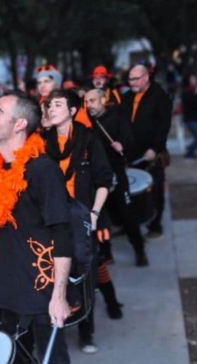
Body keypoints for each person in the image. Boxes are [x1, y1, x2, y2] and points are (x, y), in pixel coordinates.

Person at [0, 92, 72, 364]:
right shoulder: (0, 168)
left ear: (19, 124)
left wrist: (59, 296)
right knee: (14, 362)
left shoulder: (43, 169)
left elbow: (62, 234)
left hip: (41, 291)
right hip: (10, 290)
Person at [43, 89, 114, 354]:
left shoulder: (88, 139)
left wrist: (94, 215)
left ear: (72, 111)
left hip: (82, 218)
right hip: (52, 220)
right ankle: (55, 328)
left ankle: (87, 331)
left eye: (58, 105)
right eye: (50, 105)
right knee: (51, 275)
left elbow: (104, 181)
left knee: (84, 274)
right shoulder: (43, 141)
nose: (52, 109)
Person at [85, 88, 147, 267]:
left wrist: (123, 146)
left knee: (127, 214)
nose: (89, 105)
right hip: (97, 176)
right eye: (87, 101)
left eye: (93, 101)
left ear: (103, 101)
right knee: (101, 216)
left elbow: (130, 142)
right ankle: (106, 253)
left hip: (116, 173)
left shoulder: (117, 118)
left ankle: (139, 249)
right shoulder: (87, 123)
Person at [121, 64, 173, 239]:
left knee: (156, 189)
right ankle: (131, 223)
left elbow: (163, 126)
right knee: (130, 189)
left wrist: (155, 148)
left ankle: (155, 224)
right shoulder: (127, 97)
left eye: (135, 79)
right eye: (130, 79)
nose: (132, 83)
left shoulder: (160, 97)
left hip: (152, 153)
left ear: (146, 78)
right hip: (130, 152)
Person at [181, 73, 197, 158]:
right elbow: (196, 103)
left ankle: (189, 149)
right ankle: (189, 152)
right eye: (192, 79)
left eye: (194, 79)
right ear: (188, 81)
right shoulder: (186, 92)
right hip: (190, 119)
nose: (194, 80)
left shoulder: (195, 90)